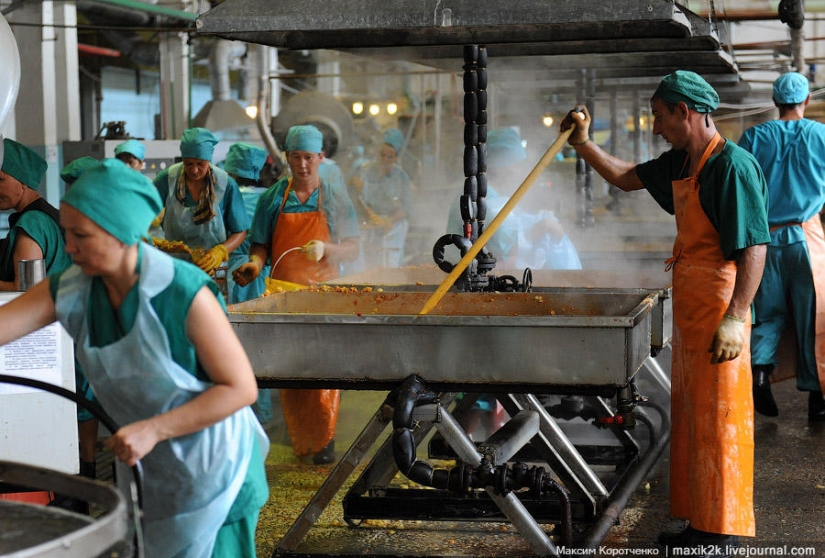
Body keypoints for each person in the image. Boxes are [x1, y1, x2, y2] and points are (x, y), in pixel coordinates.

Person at [0, 158, 269, 557]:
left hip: (215, 468)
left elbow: (240, 389)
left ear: (121, 233)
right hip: (148, 466)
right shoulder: (73, 287)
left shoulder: (183, 293)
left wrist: (154, 430)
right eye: (67, 233)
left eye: (81, 236)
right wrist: (148, 436)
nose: (68, 247)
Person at [559, 70, 770, 557]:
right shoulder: (680, 162)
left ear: (685, 111)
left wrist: (737, 318)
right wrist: (584, 144)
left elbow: (755, 248)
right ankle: (702, 522)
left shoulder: (732, 167)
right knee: (695, 416)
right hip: (694, 305)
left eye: (658, 117)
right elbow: (624, 177)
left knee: (721, 418)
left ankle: (724, 532)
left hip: (721, 304)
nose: (655, 127)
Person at [233, 124, 359, 464]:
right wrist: (255, 266)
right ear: (286, 157)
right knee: (291, 373)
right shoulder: (274, 197)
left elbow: (354, 247)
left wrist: (327, 248)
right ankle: (303, 442)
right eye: (295, 157)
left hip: (323, 296)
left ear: (321, 157)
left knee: (322, 372)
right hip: (284, 295)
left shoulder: (333, 196)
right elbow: (261, 245)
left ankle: (325, 441)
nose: (302, 165)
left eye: (308, 157)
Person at [737, 72, 825, 421]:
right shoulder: (821, 135)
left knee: (767, 314)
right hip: (807, 238)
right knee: (812, 317)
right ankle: (817, 397)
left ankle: (760, 374)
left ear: (775, 102)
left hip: (764, 240)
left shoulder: (754, 137)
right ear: (805, 101)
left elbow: (739, 188)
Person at [445, 127, 582, 270]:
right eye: (514, 165)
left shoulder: (482, 194)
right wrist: (543, 227)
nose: (518, 171)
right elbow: (505, 251)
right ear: (499, 165)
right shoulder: (487, 201)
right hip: (469, 280)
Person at [152, 127, 249, 278]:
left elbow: (240, 231)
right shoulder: (168, 179)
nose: (194, 170)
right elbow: (143, 210)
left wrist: (220, 252)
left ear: (209, 160)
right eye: (188, 164)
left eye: (200, 164)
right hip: (176, 267)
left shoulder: (225, 184)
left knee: (213, 301)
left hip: (212, 268)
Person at [223, 141, 273, 425]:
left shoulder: (223, 196)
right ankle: (262, 412)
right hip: (257, 271)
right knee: (259, 344)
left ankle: (236, 411)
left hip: (227, 270)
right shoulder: (267, 197)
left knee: (230, 342)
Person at [0, 138, 72, 291]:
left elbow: (26, 286)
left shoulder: (32, 222)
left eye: (0, 179)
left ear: (23, 181)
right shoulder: (48, 215)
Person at [349, 128, 412, 268]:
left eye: (390, 156)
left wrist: (387, 221)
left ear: (397, 157)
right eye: (381, 154)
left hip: (393, 229)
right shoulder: (364, 170)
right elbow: (357, 199)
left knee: (390, 268)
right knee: (367, 267)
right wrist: (369, 215)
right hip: (368, 228)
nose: (385, 160)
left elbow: (406, 208)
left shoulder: (401, 177)